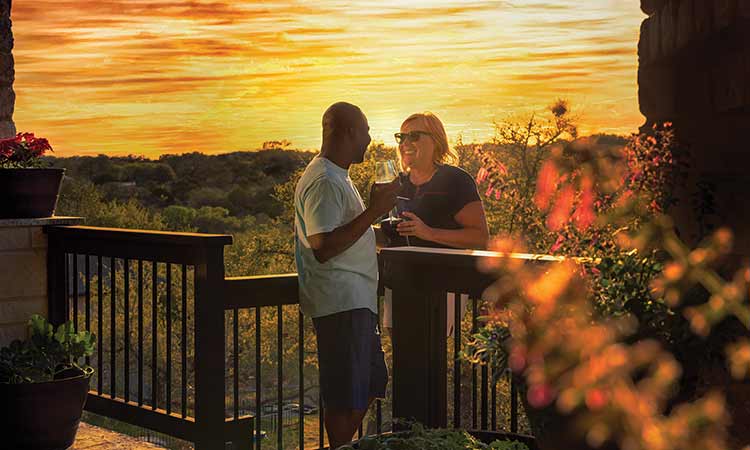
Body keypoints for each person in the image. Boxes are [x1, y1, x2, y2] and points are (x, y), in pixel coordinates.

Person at [294, 102, 400, 449]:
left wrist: (382, 228)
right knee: (346, 396)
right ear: (347, 132)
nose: (369, 139)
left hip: (356, 300)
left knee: (369, 383)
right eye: (366, 131)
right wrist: (373, 211)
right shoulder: (325, 180)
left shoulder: (338, 177)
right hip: (340, 302)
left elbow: (344, 233)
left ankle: (338, 446)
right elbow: (322, 245)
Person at [382, 111, 490, 335]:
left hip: (443, 282)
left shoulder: (456, 180)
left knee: (432, 350)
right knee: (403, 352)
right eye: (401, 137)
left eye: (414, 136)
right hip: (400, 284)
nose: (406, 143)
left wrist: (428, 233)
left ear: (436, 141)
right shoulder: (397, 183)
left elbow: (480, 238)